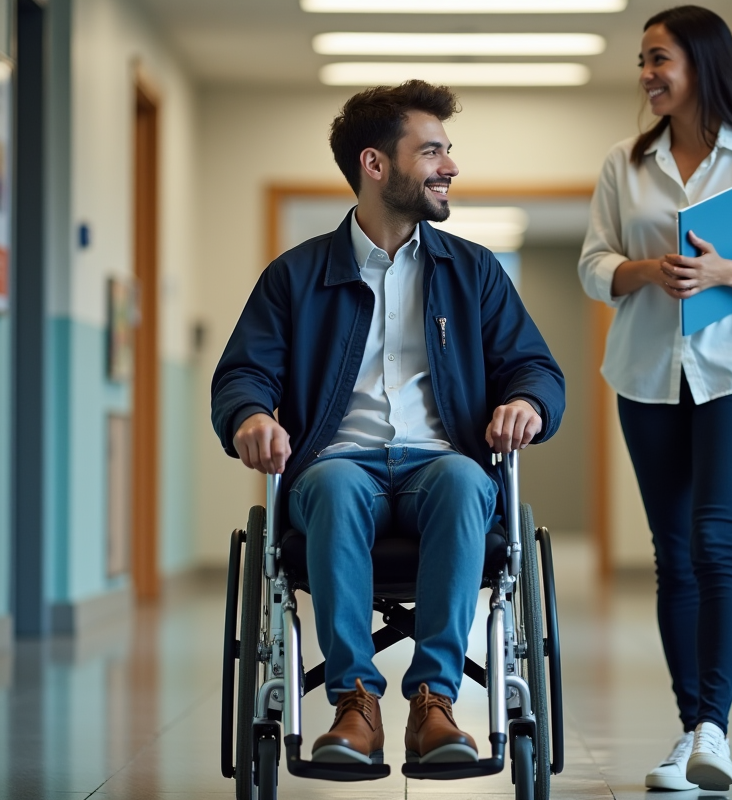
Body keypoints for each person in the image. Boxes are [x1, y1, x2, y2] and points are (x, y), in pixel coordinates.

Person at [212, 80, 565, 766]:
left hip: (443, 465)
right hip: (338, 466)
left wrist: (527, 403)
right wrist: (250, 416)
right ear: (375, 165)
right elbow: (242, 374)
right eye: (431, 151)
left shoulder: (474, 272)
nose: (450, 166)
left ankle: (434, 703)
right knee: (336, 486)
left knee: (466, 483)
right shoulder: (295, 277)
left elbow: (534, 367)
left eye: (447, 150)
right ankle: (355, 705)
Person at [578, 6, 732, 793]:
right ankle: (690, 733)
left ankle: (715, 727)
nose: (647, 74)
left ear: (701, 64)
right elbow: (592, 265)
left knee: (716, 542)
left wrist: (727, 274)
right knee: (673, 553)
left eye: (660, 59)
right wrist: (645, 270)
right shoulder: (625, 164)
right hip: (648, 374)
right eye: (643, 61)